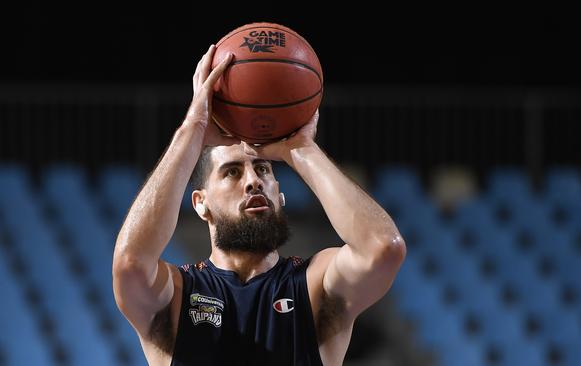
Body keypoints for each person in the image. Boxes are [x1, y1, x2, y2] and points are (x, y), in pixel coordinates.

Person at [112, 44, 406, 366]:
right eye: (232, 172)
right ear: (201, 203)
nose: (253, 180)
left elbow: (383, 248)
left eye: (263, 169)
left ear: (279, 197)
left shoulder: (312, 286)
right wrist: (192, 130)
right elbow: (130, 265)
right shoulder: (180, 295)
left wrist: (302, 149)